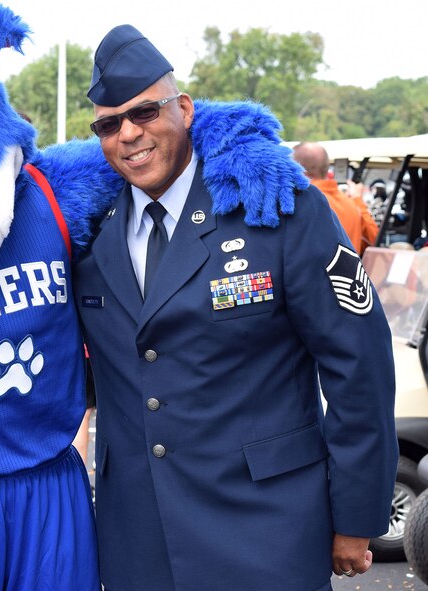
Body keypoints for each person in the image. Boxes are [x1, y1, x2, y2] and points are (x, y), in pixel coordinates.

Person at [73, 24, 398, 591]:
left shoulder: (274, 206)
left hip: (266, 532)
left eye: (145, 113)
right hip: (138, 543)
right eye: (108, 124)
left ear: (186, 109)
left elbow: (359, 364)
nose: (128, 134)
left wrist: (356, 513)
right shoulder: (88, 232)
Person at [292, 141, 380, 255]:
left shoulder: (297, 203)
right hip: (347, 271)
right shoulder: (352, 204)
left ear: (295, 169)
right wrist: (358, 200)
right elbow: (374, 239)